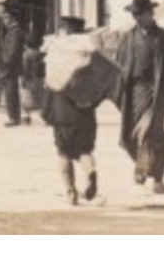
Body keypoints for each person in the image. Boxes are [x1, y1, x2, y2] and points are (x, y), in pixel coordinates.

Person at [114, 0, 164, 195]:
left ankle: (157, 178)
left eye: (141, 14)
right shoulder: (128, 39)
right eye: (134, 14)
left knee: (157, 136)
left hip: (160, 93)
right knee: (132, 135)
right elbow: (118, 64)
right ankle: (141, 164)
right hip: (135, 93)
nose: (137, 18)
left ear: (150, 14)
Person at [41, 16, 102, 205]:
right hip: (84, 111)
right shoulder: (88, 53)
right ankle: (89, 170)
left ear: (64, 30)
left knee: (64, 152)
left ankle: (70, 192)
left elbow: (50, 83)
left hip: (62, 112)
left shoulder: (57, 51)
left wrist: (46, 111)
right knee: (84, 150)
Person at [0, 8, 27, 126]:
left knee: (11, 92)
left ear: (13, 18)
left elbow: (12, 51)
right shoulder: (12, 31)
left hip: (11, 67)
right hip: (10, 67)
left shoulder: (14, 32)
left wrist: (5, 63)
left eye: (6, 18)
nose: (4, 20)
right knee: (11, 92)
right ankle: (14, 116)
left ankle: (14, 118)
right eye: (3, 18)